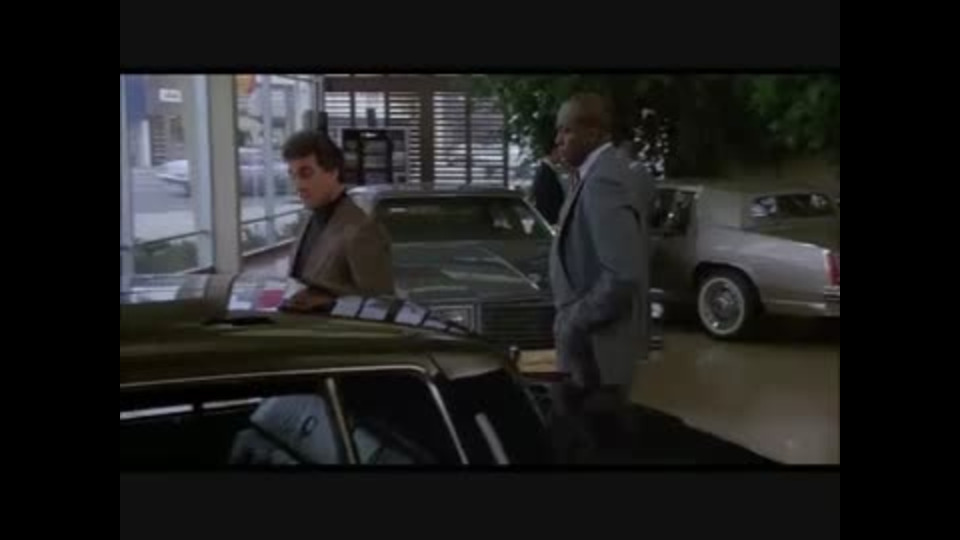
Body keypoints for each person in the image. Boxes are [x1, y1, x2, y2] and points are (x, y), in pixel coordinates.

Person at [548, 94, 654, 445]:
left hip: (596, 358)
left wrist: (573, 322)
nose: (558, 140)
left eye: (566, 131)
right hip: (592, 356)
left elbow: (622, 275)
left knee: (593, 447)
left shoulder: (603, 181)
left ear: (593, 132)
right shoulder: (593, 175)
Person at [281, 130, 394, 312]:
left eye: (306, 173)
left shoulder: (361, 229)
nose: (298, 185)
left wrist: (330, 302)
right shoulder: (308, 217)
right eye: (292, 175)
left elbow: (380, 305)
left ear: (333, 171)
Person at [531, 145, 566, 225]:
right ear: (554, 151)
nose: (562, 156)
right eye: (560, 152)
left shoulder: (547, 171)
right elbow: (544, 202)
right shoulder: (545, 173)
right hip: (549, 222)